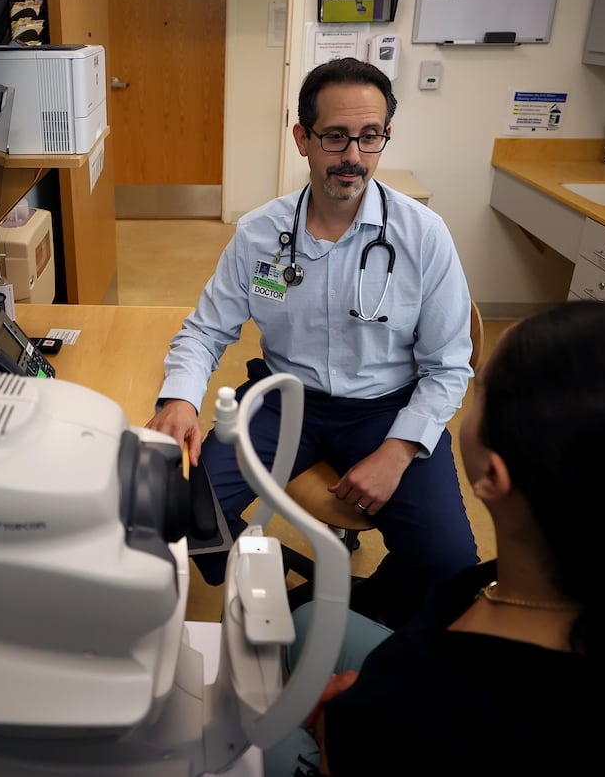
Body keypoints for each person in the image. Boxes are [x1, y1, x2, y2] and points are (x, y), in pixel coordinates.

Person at [267, 301, 605, 776]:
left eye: (478, 394)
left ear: (494, 478)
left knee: (266, 746)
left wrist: (342, 731)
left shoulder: (423, 702)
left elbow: (392, 726)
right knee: (310, 620)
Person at [147, 57, 478, 628]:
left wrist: (398, 450)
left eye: (369, 137)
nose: (353, 156)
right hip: (284, 400)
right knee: (173, 515)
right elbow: (206, 330)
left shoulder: (423, 236)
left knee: (451, 566)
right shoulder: (260, 234)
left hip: (387, 409)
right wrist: (177, 399)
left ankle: (341, 611)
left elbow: (449, 366)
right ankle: (261, 582)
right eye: (334, 137)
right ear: (303, 138)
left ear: (384, 138)